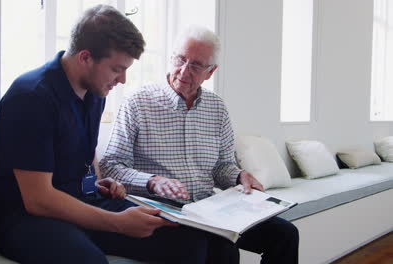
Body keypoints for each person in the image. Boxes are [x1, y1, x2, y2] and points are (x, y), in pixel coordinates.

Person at [0, 5, 210, 264]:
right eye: (117, 69)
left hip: (82, 200)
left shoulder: (95, 92)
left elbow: (83, 151)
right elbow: (39, 200)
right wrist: (117, 222)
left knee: (192, 238)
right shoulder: (32, 97)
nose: (123, 80)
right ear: (85, 58)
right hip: (27, 218)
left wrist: (98, 182)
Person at [100, 25, 299, 263]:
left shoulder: (216, 108)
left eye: (195, 65)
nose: (184, 71)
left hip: (210, 208)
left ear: (210, 71)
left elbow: (222, 166)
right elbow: (111, 165)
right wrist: (153, 181)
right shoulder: (137, 102)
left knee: (285, 234)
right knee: (223, 250)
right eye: (180, 59)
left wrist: (238, 176)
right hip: (164, 210)